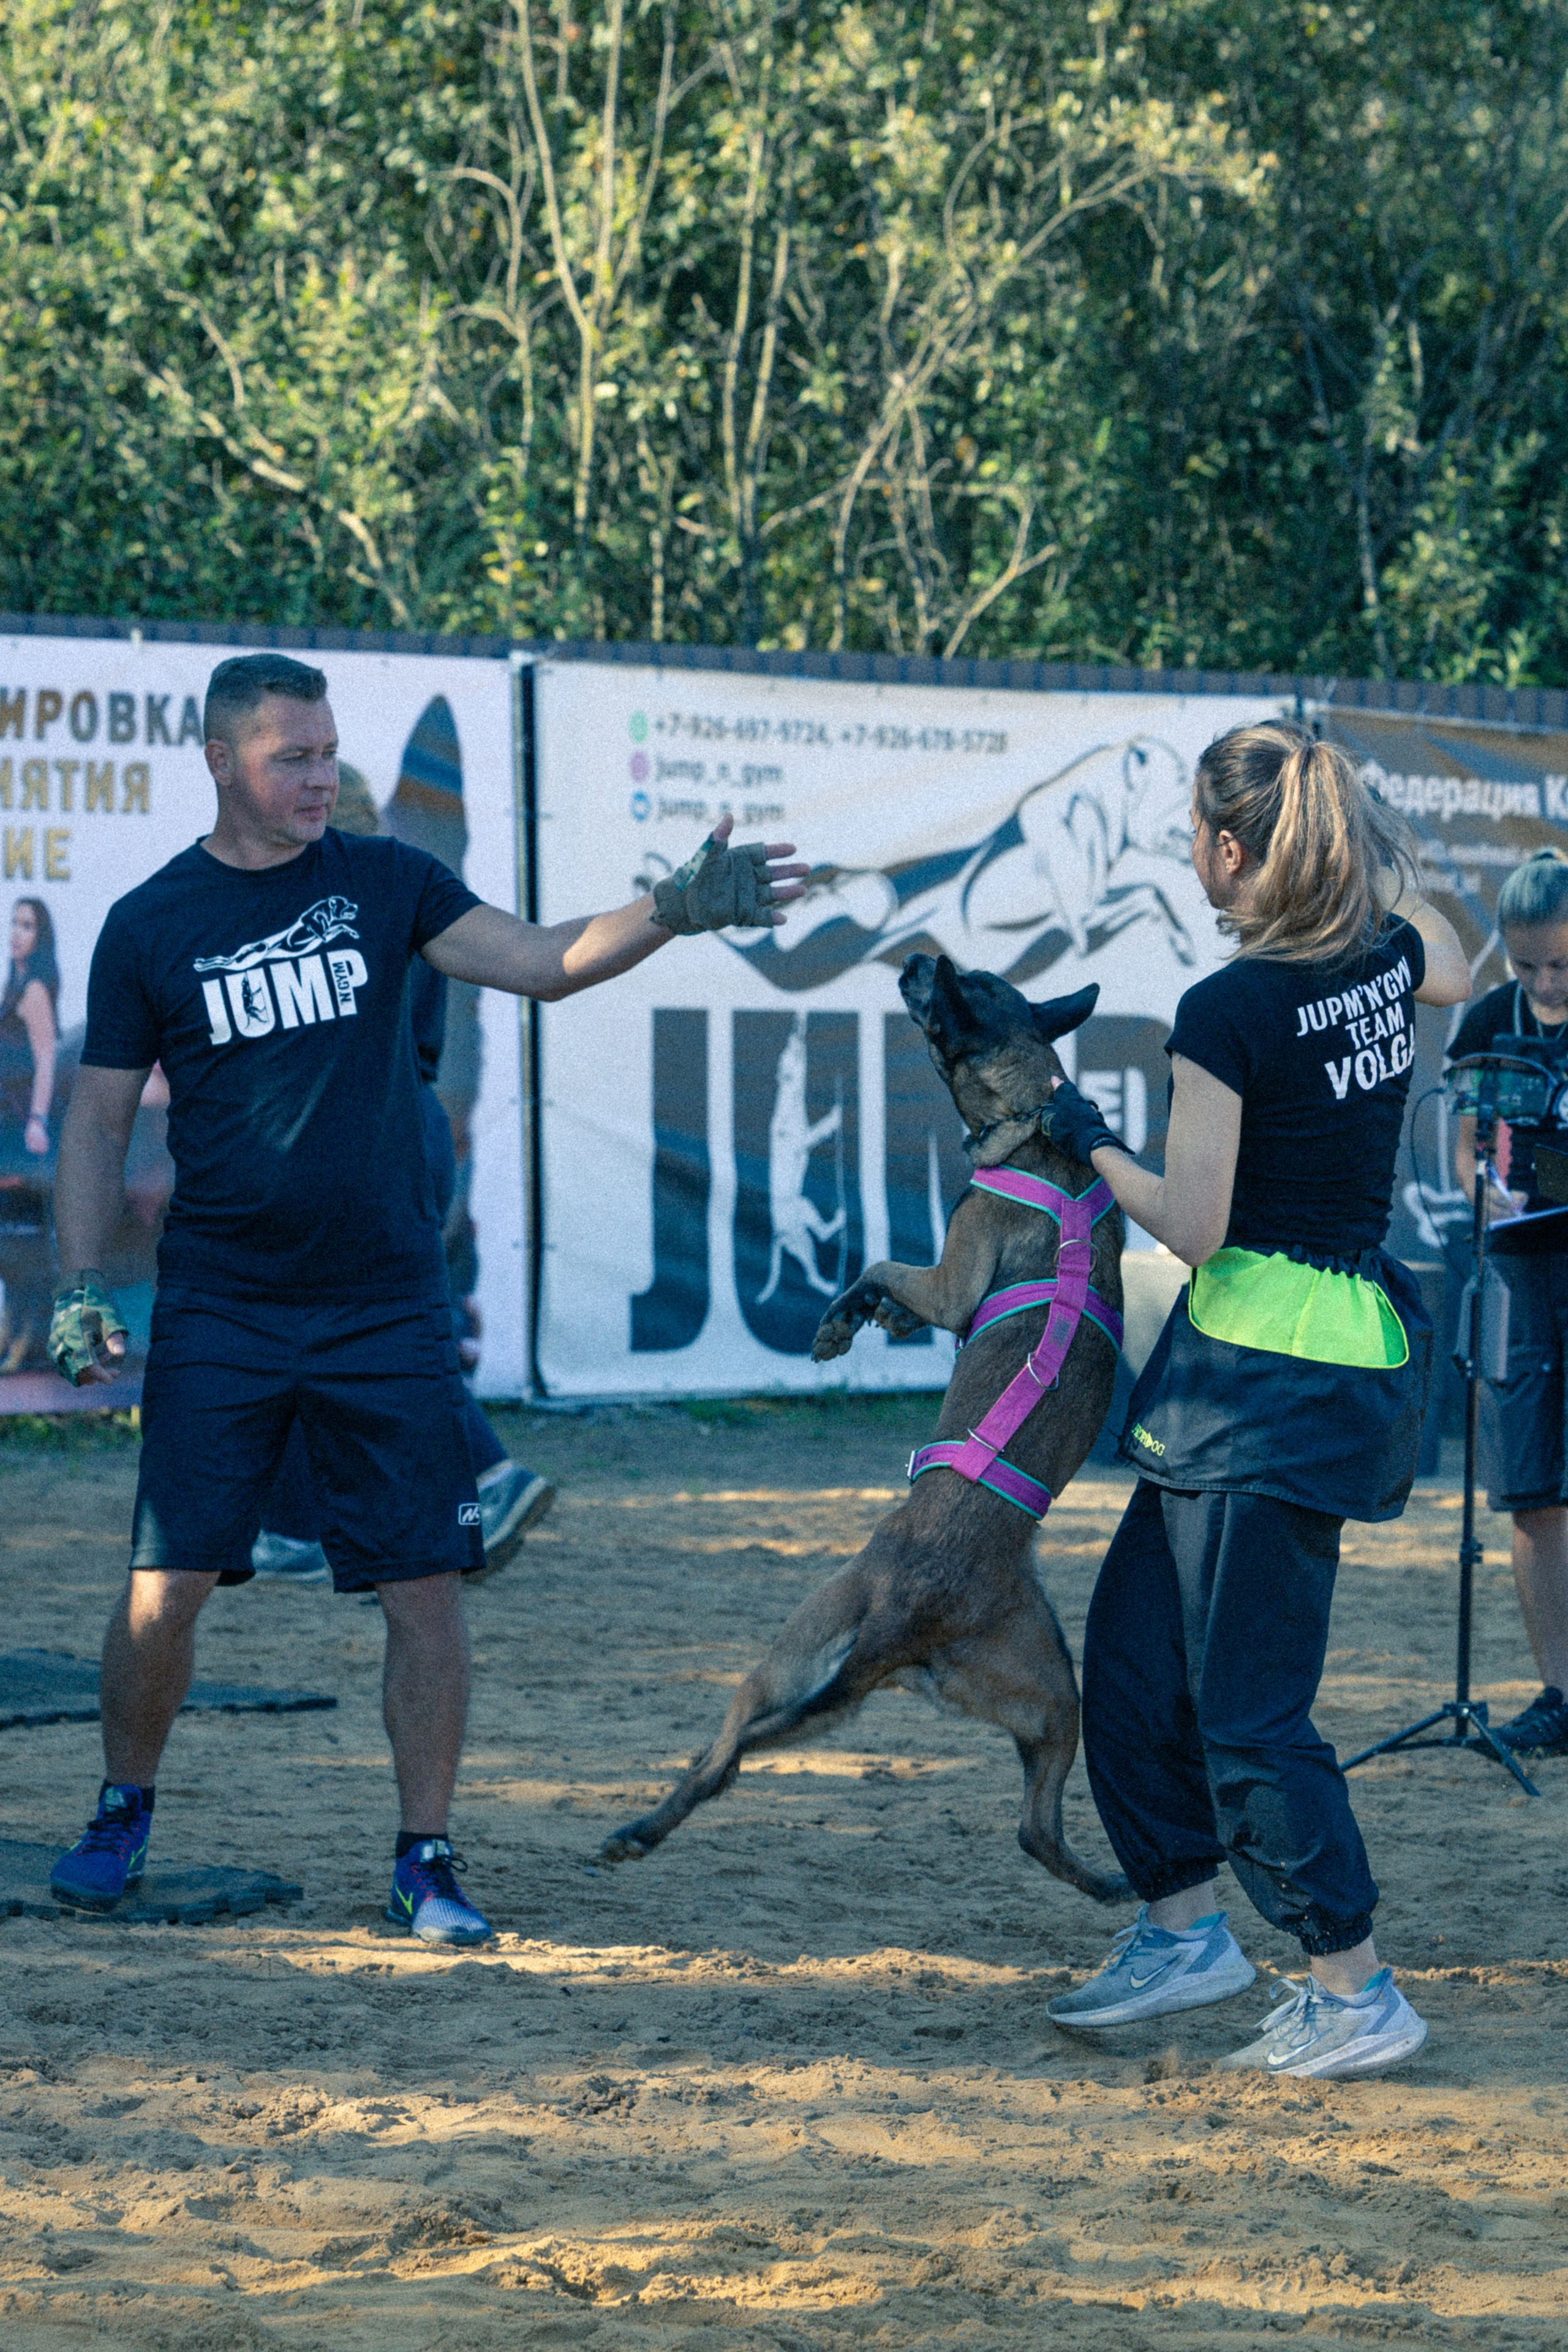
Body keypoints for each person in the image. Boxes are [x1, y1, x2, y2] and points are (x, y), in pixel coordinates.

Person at [44, 651, 806, 1944]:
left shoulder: (387, 881)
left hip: (385, 1308)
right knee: (163, 1590)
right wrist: (74, 1285)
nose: (318, 773)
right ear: (223, 761)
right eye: (290, 754)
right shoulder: (150, 924)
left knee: (426, 1592)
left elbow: (543, 959)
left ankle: (426, 1856)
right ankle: (123, 1805)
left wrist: (673, 906)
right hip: (225, 1305)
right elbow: (96, 1121)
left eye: (327, 750)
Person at [1035, 722, 1471, 2078]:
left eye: (1195, 833)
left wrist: (1082, 1134)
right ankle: (1182, 1931)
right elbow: (1453, 950)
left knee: (1246, 1715)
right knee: (1128, 1667)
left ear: (1232, 850)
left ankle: (1350, 1985)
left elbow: (1194, 1225)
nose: (1187, 852)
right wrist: (1363, 844)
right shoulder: (1385, 963)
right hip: (1281, 1375)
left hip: (1257, 1388)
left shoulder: (1225, 1014)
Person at [250, 769, 553, 1585]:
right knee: (317, 1323)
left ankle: (488, 1478)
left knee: (342, 1323)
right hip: (410, 1123)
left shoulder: (323, 900)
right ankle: (294, 1524)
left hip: (352, 1129)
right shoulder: (404, 888)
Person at [1448, 845, 1568, 1758]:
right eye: (1529, 964)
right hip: (1520, 1277)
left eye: (1564, 964)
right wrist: (1481, 1188)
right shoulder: (1487, 1019)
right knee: (1532, 1495)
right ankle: (1559, 1694)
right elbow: (1463, 1152)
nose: (1545, 981)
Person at [0, 895, 61, 1370]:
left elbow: (46, 1057)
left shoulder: (36, 989)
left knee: (23, 1236)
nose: (18, 932)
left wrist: (37, 1122)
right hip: (9, 1126)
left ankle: (28, 1342)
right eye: (15, 923)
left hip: (25, 1130)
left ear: (40, 938)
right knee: (10, 1234)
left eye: (28, 925)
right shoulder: (15, 986)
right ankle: (11, 1335)